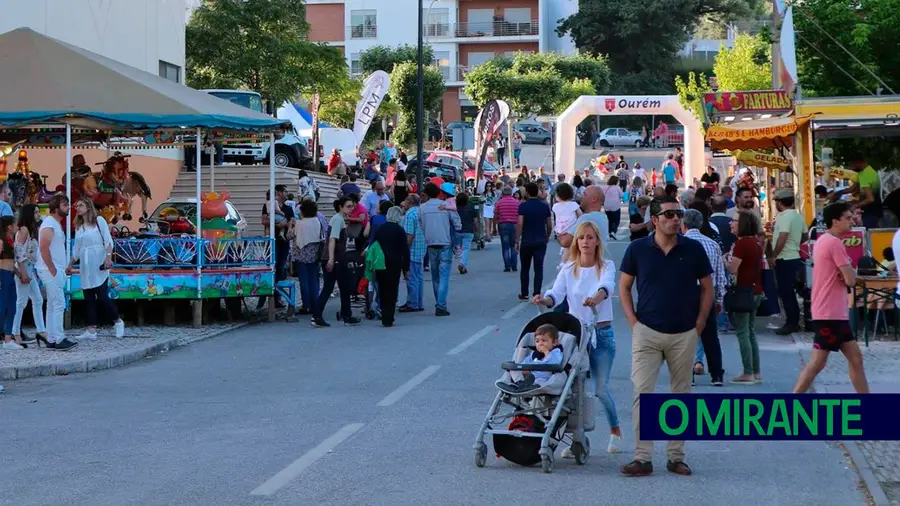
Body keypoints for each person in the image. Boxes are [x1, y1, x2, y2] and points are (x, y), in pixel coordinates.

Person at [619, 196, 713, 477]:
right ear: (655, 220)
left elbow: (707, 288)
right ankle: (642, 457)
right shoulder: (638, 249)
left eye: (678, 213)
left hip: (684, 332)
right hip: (646, 331)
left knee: (681, 395)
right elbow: (624, 287)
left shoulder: (693, 249)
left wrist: (699, 323)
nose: (675, 218)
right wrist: (633, 321)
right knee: (643, 393)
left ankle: (676, 456)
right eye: (669, 214)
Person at [534, 221, 622, 454]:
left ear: (597, 241)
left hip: (601, 333)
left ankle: (615, 431)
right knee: (572, 389)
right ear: (576, 242)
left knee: (601, 389)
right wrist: (545, 300)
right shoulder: (568, 268)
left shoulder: (606, 266)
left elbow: (607, 286)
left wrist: (597, 298)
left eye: (590, 237)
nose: (585, 242)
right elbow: (556, 294)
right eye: (581, 237)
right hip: (576, 335)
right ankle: (575, 438)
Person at [793, 202, 869, 394]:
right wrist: (848, 275)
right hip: (830, 313)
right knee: (818, 362)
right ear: (835, 221)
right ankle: (791, 400)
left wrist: (847, 275)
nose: (852, 222)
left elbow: (847, 276)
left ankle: (868, 403)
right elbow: (850, 279)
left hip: (831, 311)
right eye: (848, 218)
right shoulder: (834, 243)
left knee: (855, 359)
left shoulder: (823, 241)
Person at [66, 198, 126, 340]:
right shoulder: (79, 226)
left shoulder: (99, 221)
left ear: (88, 207)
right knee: (89, 296)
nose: (78, 207)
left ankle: (117, 321)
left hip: (98, 260)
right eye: (77, 205)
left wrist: (108, 257)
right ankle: (91, 329)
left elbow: (108, 241)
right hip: (86, 263)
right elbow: (77, 248)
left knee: (102, 296)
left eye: (81, 205)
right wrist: (70, 263)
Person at [682, 209, 726, 386]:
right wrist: (720, 299)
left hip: (686, 294)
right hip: (708, 293)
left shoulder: (681, 244)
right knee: (710, 336)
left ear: (684, 225)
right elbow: (720, 275)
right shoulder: (712, 244)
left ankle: (687, 375)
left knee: (685, 335)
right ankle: (717, 375)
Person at [727, 211, 765, 384]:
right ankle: (755, 371)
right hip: (755, 290)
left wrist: (724, 259)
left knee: (742, 332)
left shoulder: (742, 244)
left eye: (734, 221)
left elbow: (733, 268)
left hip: (743, 290)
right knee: (750, 332)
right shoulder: (755, 243)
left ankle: (748, 372)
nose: (731, 224)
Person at [36, 194, 77, 350]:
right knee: (59, 303)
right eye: (64, 204)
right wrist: (51, 267)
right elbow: (43, 246)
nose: (68, 206)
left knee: (53, 304)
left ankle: (52, 338)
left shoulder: (54, 224)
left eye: (68, 204)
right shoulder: (49, 224)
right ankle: (59, 338)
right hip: (49, 269)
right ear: (55, 207)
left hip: (53, 268)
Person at [312, 197, 361, 328]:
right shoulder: (338, 219)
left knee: (341, 287)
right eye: (348, 206)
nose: (351, 209)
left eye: (352, 206)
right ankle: (318, 315)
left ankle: (346, 315)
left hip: (337, 258)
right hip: (335, 259)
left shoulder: (339, 219)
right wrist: (331, 259)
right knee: (331, 288)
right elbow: (333, 239)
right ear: (340, 206)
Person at [418, 183, 461, 316]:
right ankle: (441, 304)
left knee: (435, 275)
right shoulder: (445, 207)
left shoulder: (422, 208)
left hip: (431, 243)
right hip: (445, 242)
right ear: (438, 193)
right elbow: (457, 224)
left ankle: (439, 302)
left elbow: (420, 225)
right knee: (444, 276)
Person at [768, 188, 806, 335]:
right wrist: (795, 243)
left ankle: (791, 323)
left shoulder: (783, 217)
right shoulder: (798, 217)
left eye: (776, 201)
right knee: (790, 291)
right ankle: (793, 321)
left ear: (780, 202)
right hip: (794, 256)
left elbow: (782, 237)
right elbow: (805, 236)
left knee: (785, 292)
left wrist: (774, 255)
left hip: (784, 258)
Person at [12, 204, 45, 345]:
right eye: (36, 212)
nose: (39, 214)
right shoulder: (24, 230)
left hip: (29, 268)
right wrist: (23, 273)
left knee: (37, 300)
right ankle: (15, 333)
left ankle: (41, 330)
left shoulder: (30, 230)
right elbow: (18, 251)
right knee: (21, 302)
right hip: (24, 268)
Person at [497, 323, 564, 393]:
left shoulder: (556, 352)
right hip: (528, 375)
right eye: (537, 341)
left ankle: (526, 385)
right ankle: (519, 383)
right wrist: (523, 369)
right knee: (512, 369)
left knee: (539, 381)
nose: (540, 343)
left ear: (554, 342)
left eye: (544, 341)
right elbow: (525, 362)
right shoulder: (535, 354)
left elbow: (556, 363)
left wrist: (546, 352)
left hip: (543, 378)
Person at [373, 207, 410, 327]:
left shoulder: (380, 229)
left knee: (382, 289)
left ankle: (384, 314)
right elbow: (405, 250)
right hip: (394, 263)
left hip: (380, 262)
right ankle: (389, 316)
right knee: (392, 290)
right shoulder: (399, 230)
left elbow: (374, 245)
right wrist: (406, 268)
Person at [516, 183, 552, 301]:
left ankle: (524, 293)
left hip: (527, 240)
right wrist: (547, 236)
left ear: (527, 192)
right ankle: (536, 292)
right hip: (540, 239)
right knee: (539, 267)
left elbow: (520, 223)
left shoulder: (523, 206)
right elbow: (549, 224)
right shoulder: (544, 206)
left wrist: (517, 239)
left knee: (525, 268)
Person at [293, 199, 324, 315]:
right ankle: (315, 304)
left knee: (304, 281)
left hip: (301, 255)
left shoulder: (299, 223)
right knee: (314, 280)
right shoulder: (317, 221)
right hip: (314, 254)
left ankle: (306, 305)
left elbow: (290, 235)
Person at [399, 194, 426, 313]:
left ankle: (413, 303)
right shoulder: (421, 212)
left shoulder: (410, 214)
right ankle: (418, 302)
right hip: (421, 247)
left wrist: (404, 249)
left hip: (413, 249)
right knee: (419, 277)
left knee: (412, 277)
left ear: (409, 202)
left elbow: (409, 235)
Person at [0, 216, 22, 349]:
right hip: (3, 275)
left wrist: (19, 274)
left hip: (11, 274)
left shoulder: (11, 241)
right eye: (15, 225)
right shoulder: (2, 242)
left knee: (11, 307)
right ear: (9, 227)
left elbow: (11, 262)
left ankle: (8, 338)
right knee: (2, 307)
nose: (17, 227)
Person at [495, 186, 520, 272]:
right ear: (511, 193)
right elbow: (519, 215)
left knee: (505, 247)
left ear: (503, 193)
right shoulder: (517, 202)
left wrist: (495, 226)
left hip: (503, 224)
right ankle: (514, 265)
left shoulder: (499, 203)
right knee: (514, 245)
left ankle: (507, 266)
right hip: (514, 225)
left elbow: (496, 215)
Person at [456, 192, 477, 274]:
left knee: (459, 248)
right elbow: (475, 220)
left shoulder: (455, 208)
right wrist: (476, 229)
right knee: (466, 249)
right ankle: (462, 264)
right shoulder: (471, 208)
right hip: (468, 230)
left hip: (457, 230)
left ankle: (462, 264)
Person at [602, 176, 624, 241]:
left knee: (610, 220)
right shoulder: (617, 187)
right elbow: (622, 195)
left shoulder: (605, 187)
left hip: (607, 206)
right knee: (617, 220)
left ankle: (609, 232)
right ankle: (613, 232)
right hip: (615, 206)